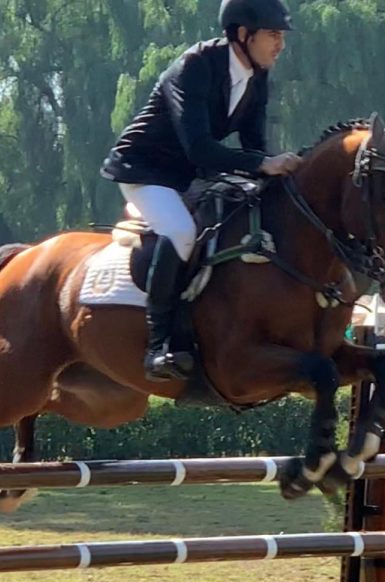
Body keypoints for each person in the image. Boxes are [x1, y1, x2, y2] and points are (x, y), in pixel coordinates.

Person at [100, 0, 302, 381]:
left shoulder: (257, 77)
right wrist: (261, 164)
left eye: (282, 36)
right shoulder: (195, 66)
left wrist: (282, 172)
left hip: (191, 175)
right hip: (146, 169)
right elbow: (199, 146)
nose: (281, 45)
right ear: (243, 34)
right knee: (180, 231)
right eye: (274, 35)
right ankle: (158, 345)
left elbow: (254, 143)